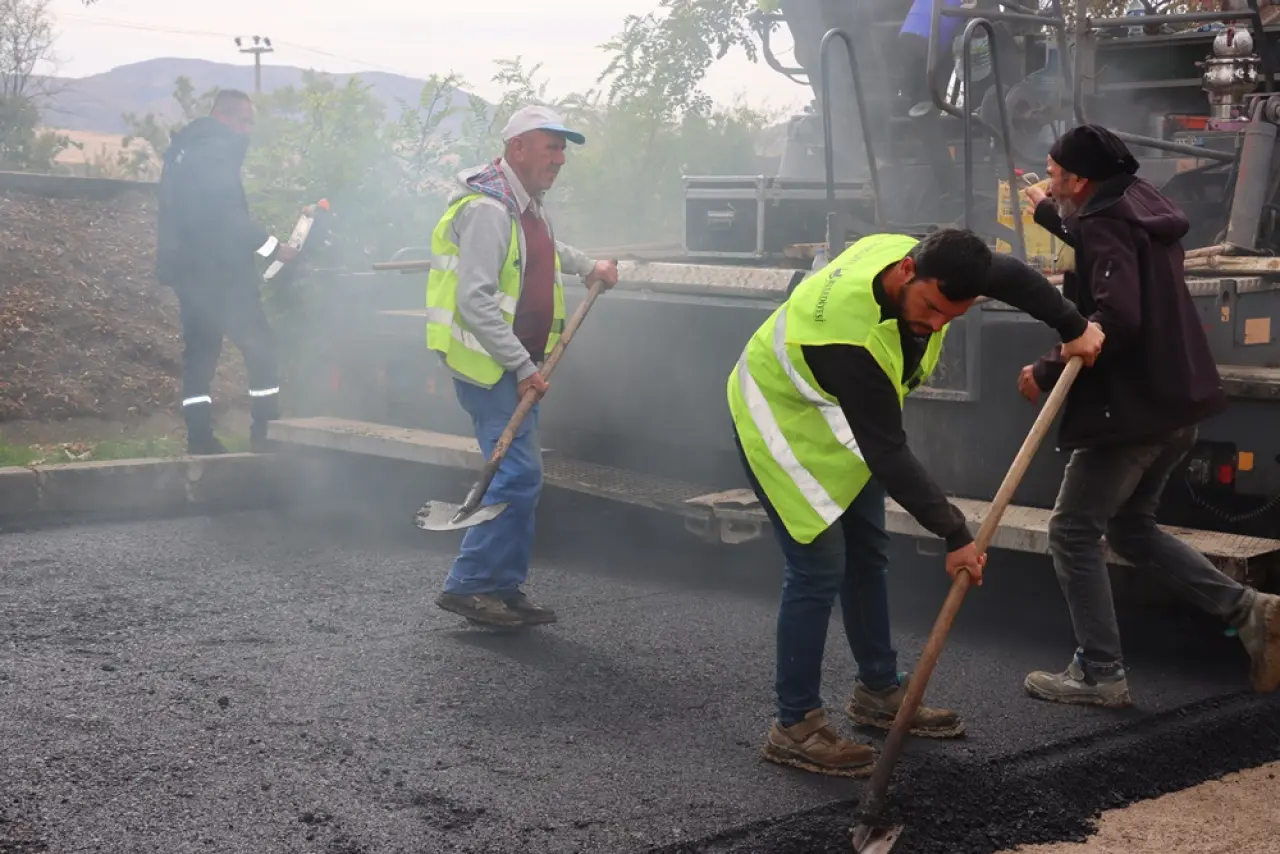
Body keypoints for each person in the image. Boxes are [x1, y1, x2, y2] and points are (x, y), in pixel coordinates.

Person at [727, 227, 1106, 777]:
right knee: (818, 567)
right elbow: (888, 452)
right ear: (907, 272)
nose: (934, 325)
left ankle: (878, 692)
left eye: (951, 316)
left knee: (868, 551)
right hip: (780, 414)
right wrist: (956, 535)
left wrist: (1075, 329)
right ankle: (795, 726)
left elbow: (1017, 278)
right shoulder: (845, 336)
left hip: (839, 415)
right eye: (930, 307)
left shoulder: (949, 264)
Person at [1019, 124, 1280, 707]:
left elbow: (1118, 315)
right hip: (1176, 400)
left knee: (1072, 531)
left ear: (1081, 179)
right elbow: (1103, 243)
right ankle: (1252, 611)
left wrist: (1047, 363)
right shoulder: (1138, 204)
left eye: (1056, 172)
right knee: (1132, 529)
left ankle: (1100, 673)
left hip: (1130, 408)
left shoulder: (1104, 219)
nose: (1048, 178)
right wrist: (1050, 217)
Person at [426, 104, 619, 629]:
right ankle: (468, 586)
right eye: (550, 147)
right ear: (517, 149)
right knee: (516, 475)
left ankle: (503, 586)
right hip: (491, 366)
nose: (559, 159)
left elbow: (543, 249)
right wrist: (521, 365)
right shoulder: (488, 209)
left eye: (562, 149)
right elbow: (477, 301)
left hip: (514, 363)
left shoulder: (522, 203)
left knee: (523, 477)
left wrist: (588, 266)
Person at [156, 89, 297, 455]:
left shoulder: (183, 150)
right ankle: (266, 432)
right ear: (225, 117)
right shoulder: (213, 151)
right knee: (261, 346)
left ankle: (199, 438)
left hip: (190, 272)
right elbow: (226, 216)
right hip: (222, 272)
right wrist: (272, 248)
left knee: (200, 354)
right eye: (245, 121)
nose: (248, 131)